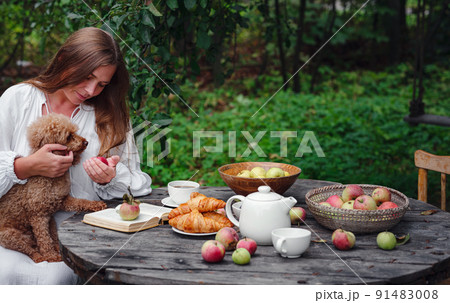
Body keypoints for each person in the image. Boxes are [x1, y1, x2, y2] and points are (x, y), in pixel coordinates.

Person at [0, 27, 152, 284]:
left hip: (81, 230)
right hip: (15, 226)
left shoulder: (108, 115)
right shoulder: (18, 99)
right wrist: (24, 167)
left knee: (55, 278)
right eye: (87, 77)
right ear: (63, 60)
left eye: (102, 84)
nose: (91, 90)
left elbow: (138, 184)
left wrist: (110, 177)